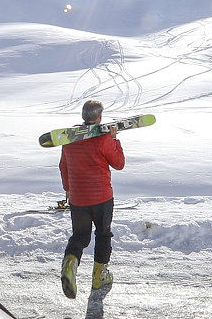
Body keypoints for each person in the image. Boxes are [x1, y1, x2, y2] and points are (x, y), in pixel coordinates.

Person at [59, 100, 125, 299]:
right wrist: (114, 140)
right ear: (99, 118)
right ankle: (99, 276)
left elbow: (63, 166)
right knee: (103, 234)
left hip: (78, 198)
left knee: (80, 236)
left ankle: (70, 264)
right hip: (101, 197)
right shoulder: (103, 138)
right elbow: (119, 163)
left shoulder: (70, 137)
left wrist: (68, 189)